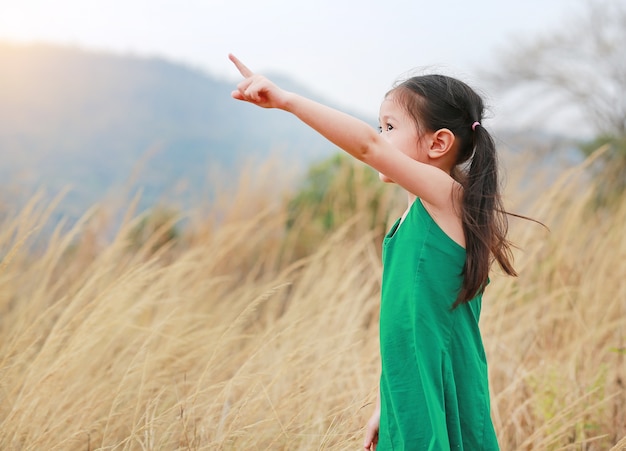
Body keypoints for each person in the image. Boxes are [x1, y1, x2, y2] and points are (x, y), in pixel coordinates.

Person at [229, 53, 513, 450]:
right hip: (411, 384)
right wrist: (387, 400)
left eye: (390, 126)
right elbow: (413, 322)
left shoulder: (449, 198)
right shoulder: (419, 210)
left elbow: (366, 147)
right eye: (381, 126)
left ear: (439, 143)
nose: (380, 135)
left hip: (440, 381)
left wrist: (286, 100)